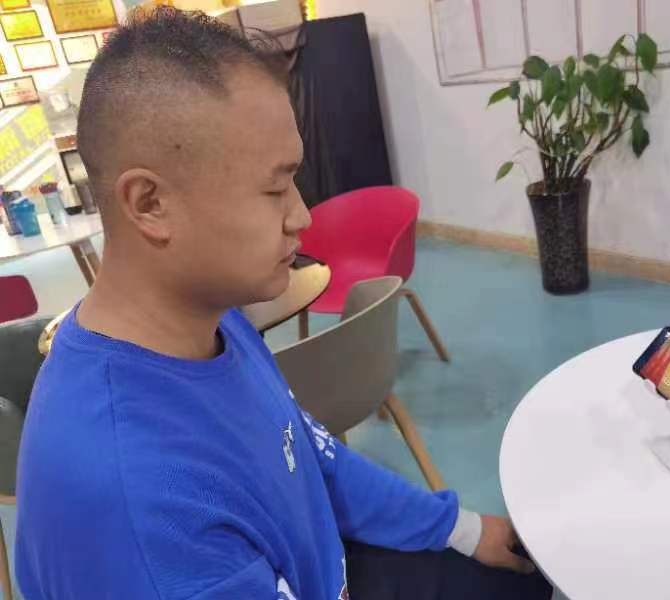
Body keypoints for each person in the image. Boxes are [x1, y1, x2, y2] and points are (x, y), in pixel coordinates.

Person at [14, 9, 553, 600]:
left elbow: (309, 455)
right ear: (150, 204)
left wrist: (460, 529)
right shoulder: (139, 509)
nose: (301, 215)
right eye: (274, 188)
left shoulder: (214, 320)